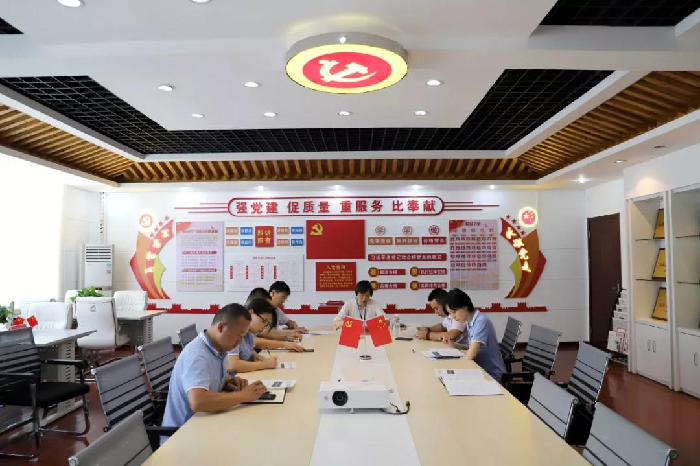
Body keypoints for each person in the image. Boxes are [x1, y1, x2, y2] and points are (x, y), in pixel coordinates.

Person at [161, 303, 268, 432]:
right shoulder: (197, 355)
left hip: (206, 423)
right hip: (183, 433)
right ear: (221, 327)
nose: (240, 342)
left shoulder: (219, 349)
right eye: (239, 335)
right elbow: (198, 401)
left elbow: (209, 383)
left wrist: (227, 383)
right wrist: (243, 396)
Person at [445, 288, 506, 383]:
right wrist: (456, 345)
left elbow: (471, 355)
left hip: (492, 375)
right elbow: (473, 348)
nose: (453, 317)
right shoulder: (471, 321)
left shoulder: (480, 321)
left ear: (465, 307)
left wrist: (465, 352)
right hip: (480, 370)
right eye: (450, 313)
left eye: (454, 312)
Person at [227, 298, 281, 373]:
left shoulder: (249, 333)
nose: (264, 326)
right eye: (264, 321)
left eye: (267, 323)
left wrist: (256, 356)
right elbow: (233, 365)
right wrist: (264, 365)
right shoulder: (233, 331)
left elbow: (249, 349)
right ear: (250, 313)